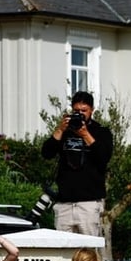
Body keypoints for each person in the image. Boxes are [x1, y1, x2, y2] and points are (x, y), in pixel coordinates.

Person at [40, 90, 114, 237]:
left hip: (89, 202)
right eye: (76, 111)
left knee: (89, 252)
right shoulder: (65, 131)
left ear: (92, 110)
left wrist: (85, 134)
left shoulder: (101, 131)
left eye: (84, 111)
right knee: (63, 251)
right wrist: (61, 129)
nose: (80, 114)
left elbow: (103, 157)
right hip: (64, 203)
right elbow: (46, 153)